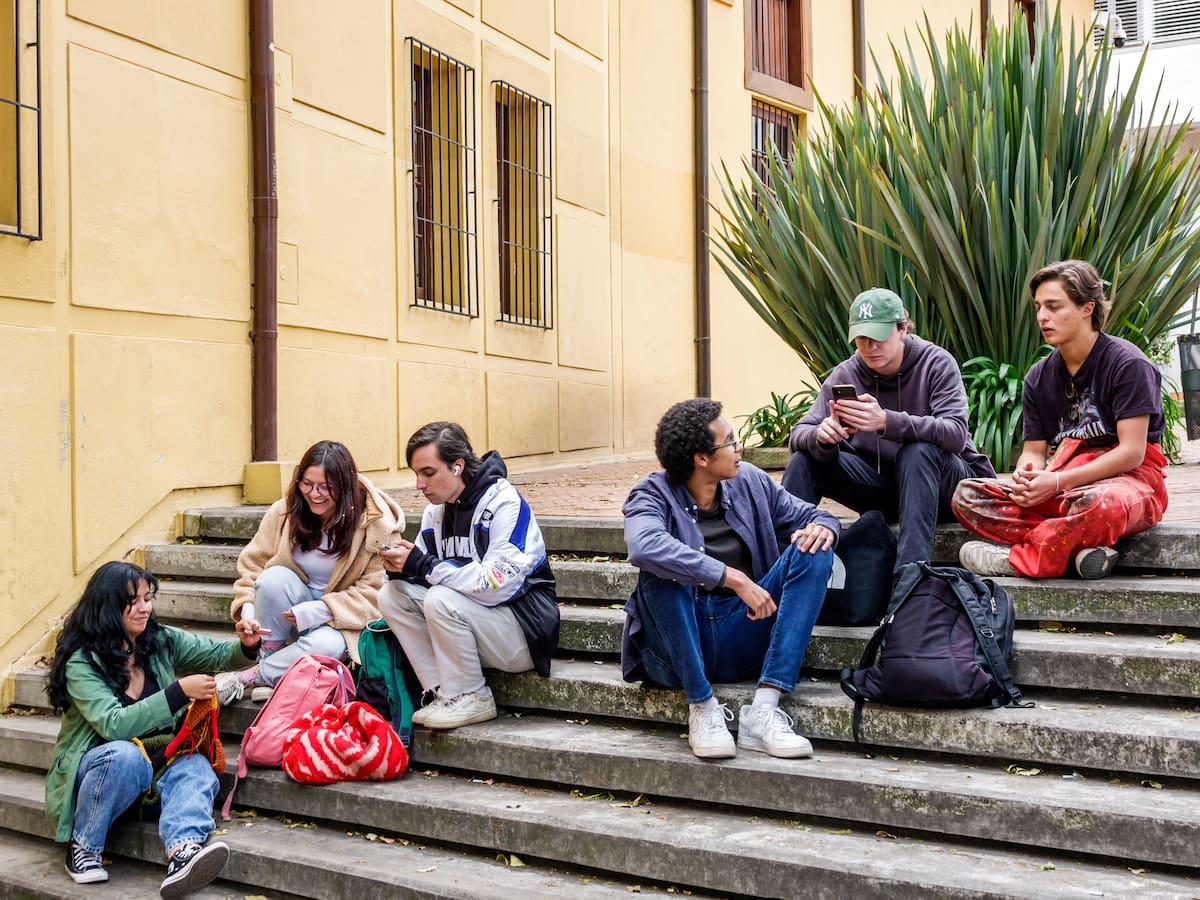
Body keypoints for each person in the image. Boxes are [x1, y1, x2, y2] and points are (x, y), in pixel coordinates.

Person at [622, 399, 839, 760]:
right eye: (731, 441)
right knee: (661, 571)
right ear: (701, 458)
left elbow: (815, 515)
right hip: (676, 649)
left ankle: (764, 710)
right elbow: (643, 546)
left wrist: (824, 526)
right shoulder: (652, 493)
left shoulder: (752, 482)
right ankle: (702, 708)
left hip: (744, 630)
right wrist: (731, 577)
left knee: (813, 547)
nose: (740, 448)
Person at [45, 560, 262, 896]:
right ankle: (84, 847)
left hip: (154, 770)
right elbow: (114, 724)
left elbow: (218, 654)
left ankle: (183, 853)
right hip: (102, 774)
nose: (144, 608)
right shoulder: (82, 662)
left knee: (196, 764)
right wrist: (178, 692)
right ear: (108, 606)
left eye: (148, 598)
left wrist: (247, 645)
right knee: (125, 755)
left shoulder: (156, 639)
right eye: (134, 600)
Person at [955, 260, 1168, 579]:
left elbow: (1132, 453)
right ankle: (1080, 549)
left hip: (1129, 481)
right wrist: (1027, 476)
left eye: (1054, 307)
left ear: (1087, 308)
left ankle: (1018, 560)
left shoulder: (1128, 365)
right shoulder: (1038, 377)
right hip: (1065, 485)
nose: (1042, 316)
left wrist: (1055, 483)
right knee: (967, 496)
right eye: (1039, 307)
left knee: (1101, 505)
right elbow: (1034, 451)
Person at [783, 288, 994, 571]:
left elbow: (955, 434)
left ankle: (911, 577)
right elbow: (799, 433)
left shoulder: (936, 362)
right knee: (804, 458)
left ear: (902, 329)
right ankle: (778, 564)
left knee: (918, 451)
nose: (870, 347)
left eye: (879, 337)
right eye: (861, 339)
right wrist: (821, 435)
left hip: (948, 490)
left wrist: (886, 422)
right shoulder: (846, 373)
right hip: (886, 491)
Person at [376, 422, 559, 731]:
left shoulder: (505, 503)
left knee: (441, 597)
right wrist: (401, 570)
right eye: (416, 474)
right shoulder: (435, 513)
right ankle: (440, 693)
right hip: (471, 629)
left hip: (522, 634)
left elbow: (496, 584)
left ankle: (472, 695)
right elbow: (424, 570)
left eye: (429, 473)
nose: (419, 484)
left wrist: (423, 566)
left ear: (457, 466)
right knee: (392, 596)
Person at [216, 440, 403, 703]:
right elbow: (254, 565)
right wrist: (248, 612)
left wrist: (320, 610)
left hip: (341, 622)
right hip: (288, 614)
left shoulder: (377, 524)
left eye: (327, 487)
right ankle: (271, 656)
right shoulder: (285, 511)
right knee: (272, 579)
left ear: (346, 486)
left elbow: (378, 592)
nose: (315, 494)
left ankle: (250, 677)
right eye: (307, 484)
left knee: (326, 646)